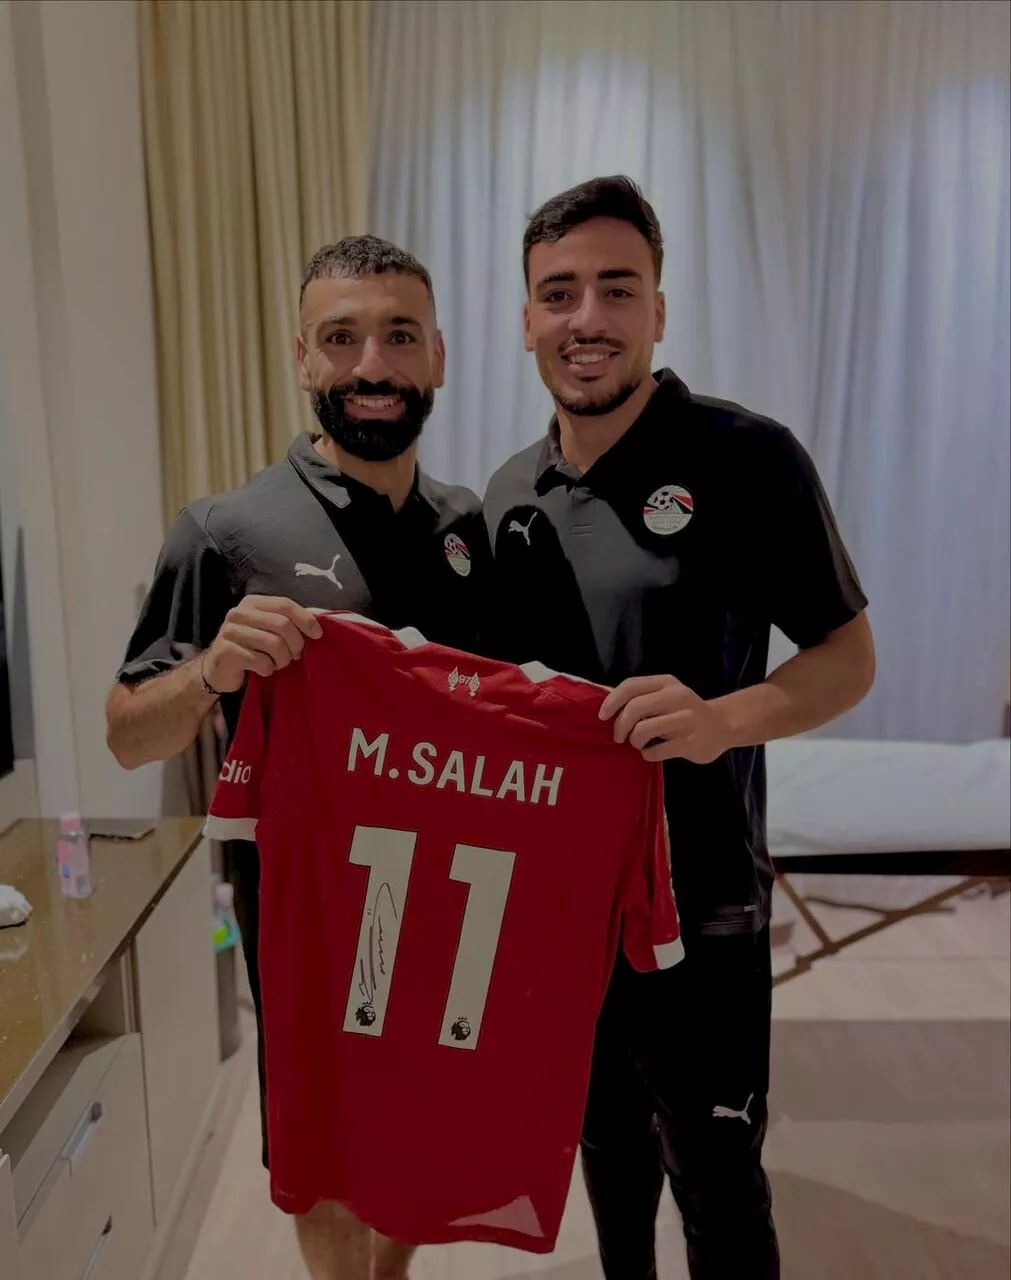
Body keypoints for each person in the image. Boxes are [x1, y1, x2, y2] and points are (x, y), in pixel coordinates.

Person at [484, 176, 876, 1280]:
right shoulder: (508, 496)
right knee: (607, 1158)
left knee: (717, 1180)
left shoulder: (748, 458)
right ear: (526, 321)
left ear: (658, 310)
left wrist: (718, 721)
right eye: (559, 292)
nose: (587, 317)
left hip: (705, 904)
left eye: (618, 288)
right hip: (564, 915)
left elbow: (847, 659)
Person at [107, 235, 490, 1280]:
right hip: (308, 916)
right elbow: (127, 729)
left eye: (399, 336)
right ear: (302, 356)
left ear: (438, 356)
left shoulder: (468, 526)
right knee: (322, 1152)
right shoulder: (224, 529)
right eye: (341, 338)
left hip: (453, 900)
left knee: (420, 1128)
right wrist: (211, 670)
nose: (372, 364)